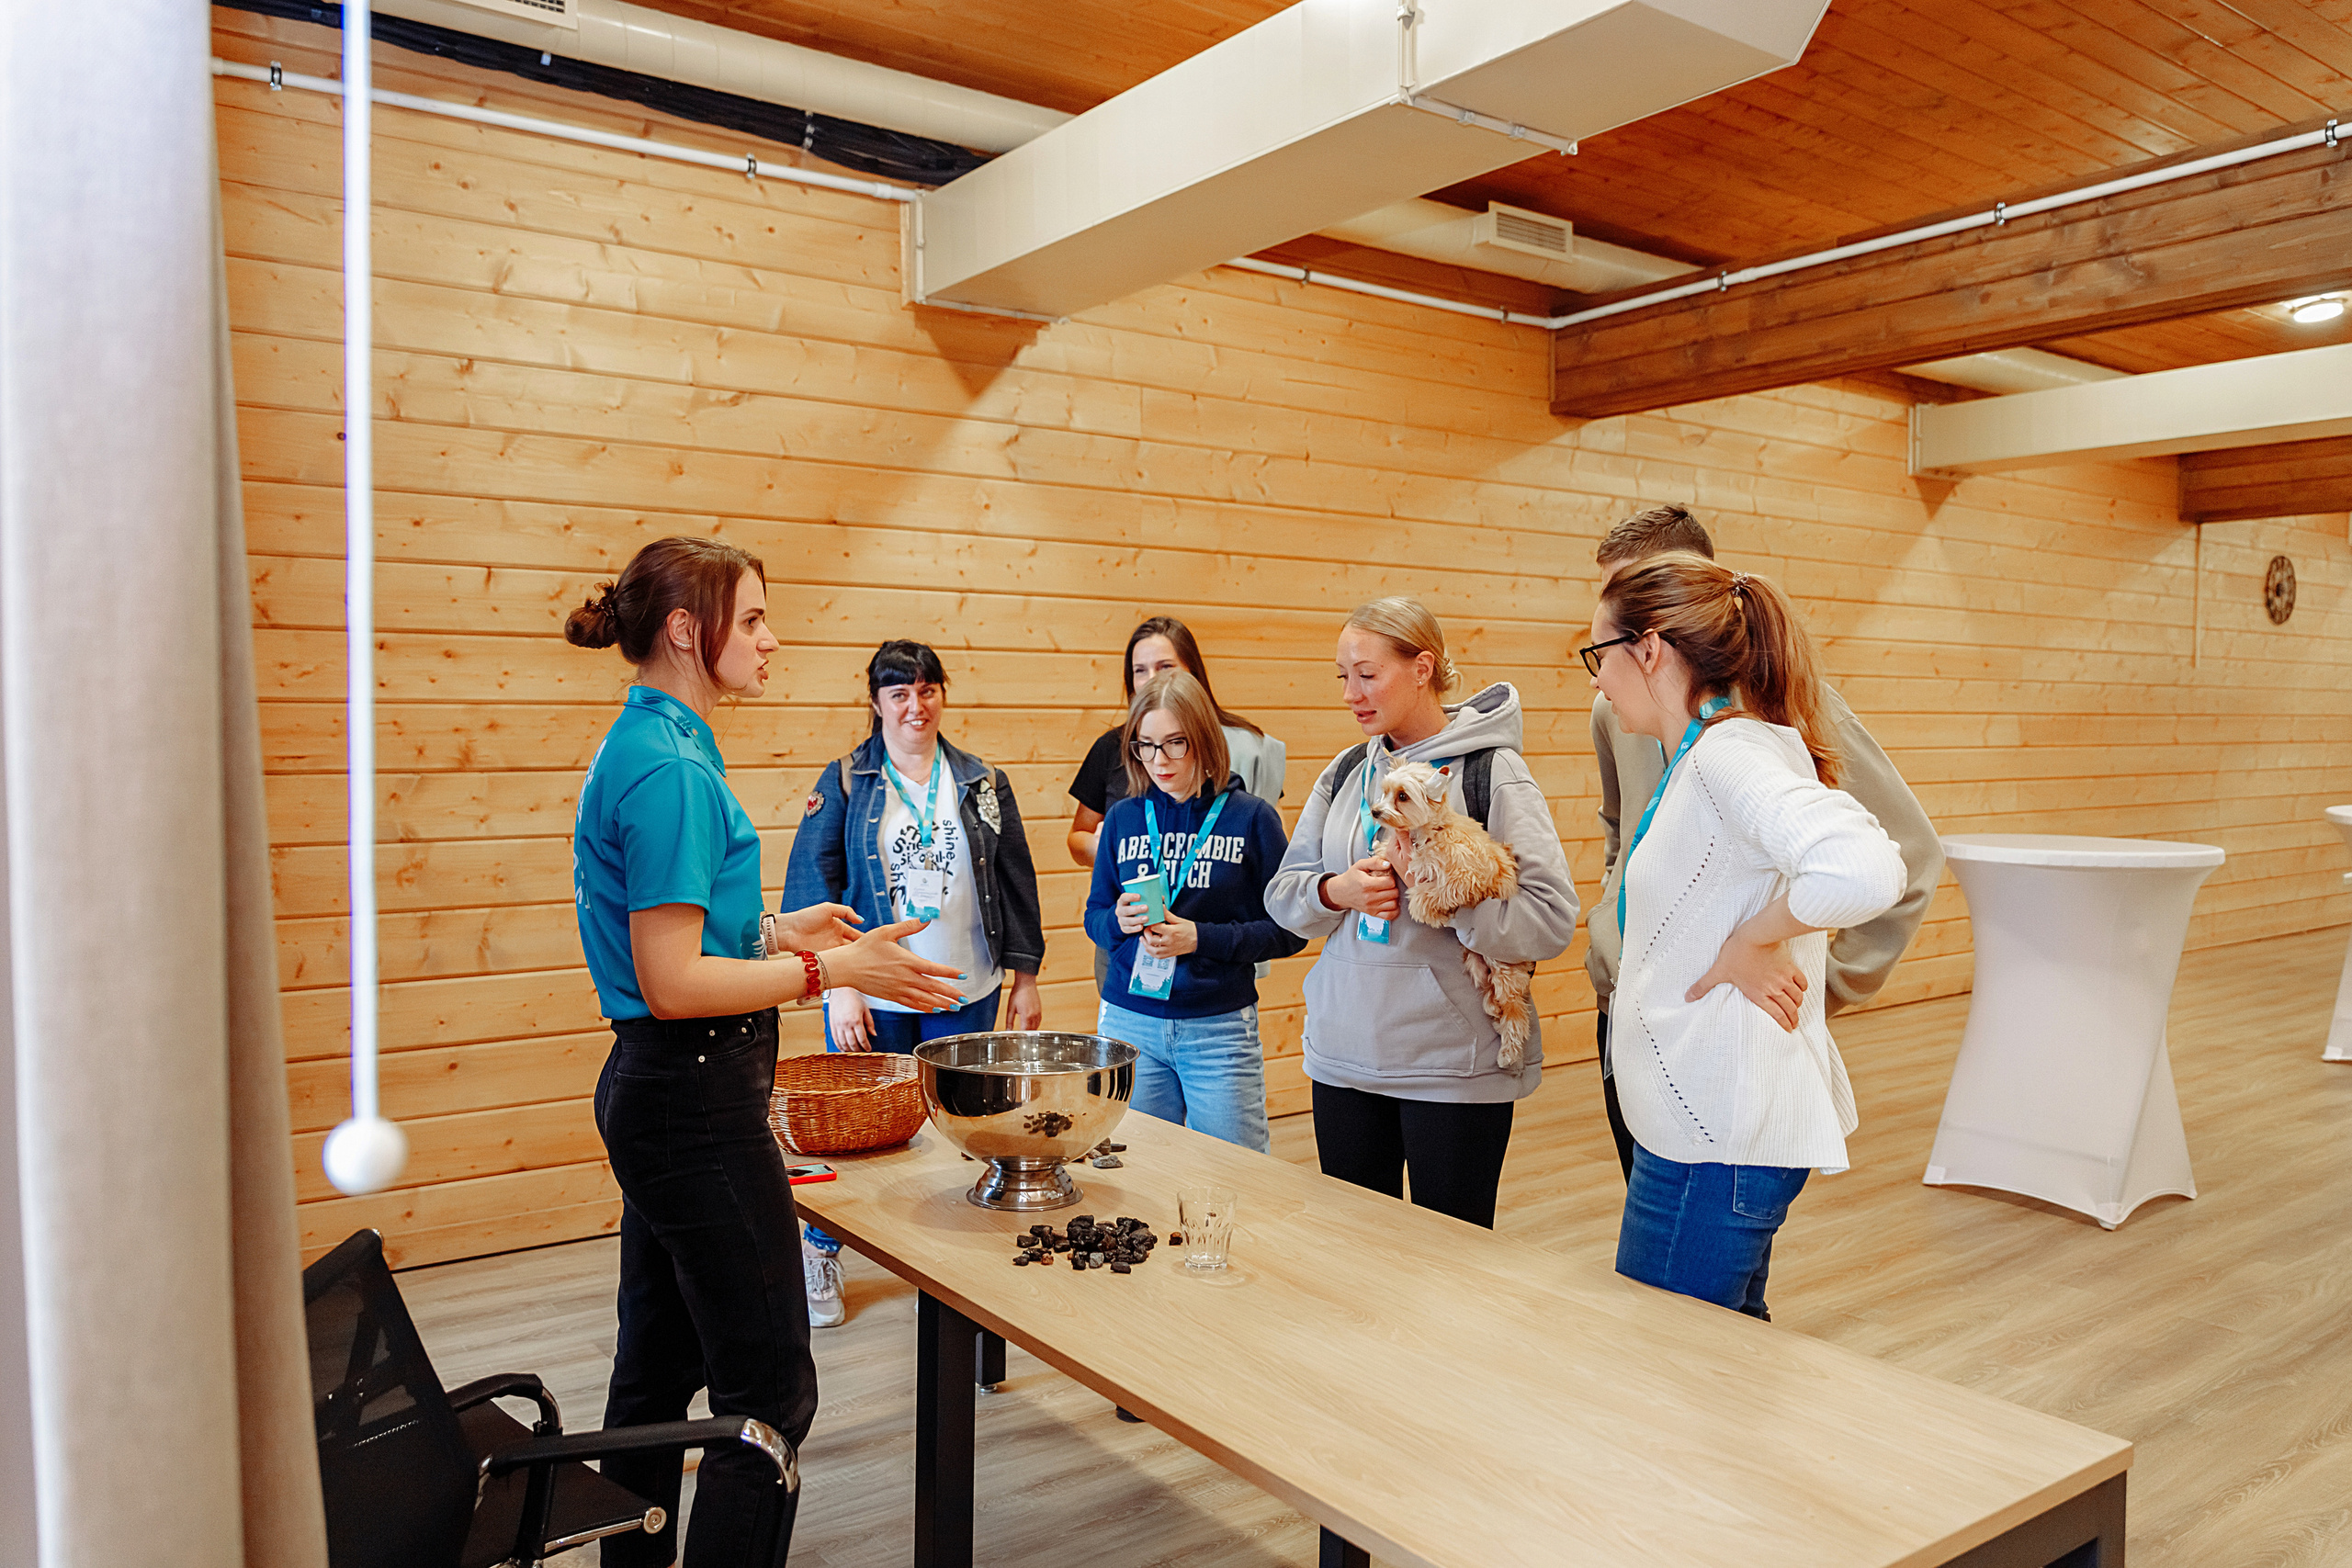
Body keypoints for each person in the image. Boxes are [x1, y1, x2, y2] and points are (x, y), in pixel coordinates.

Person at [565, 538, 966, 1568]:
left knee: (653, 1375)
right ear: (686, 633)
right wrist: (836, 976)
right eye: (751, 621)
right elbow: (672, 983)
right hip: (688, 1102)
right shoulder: (667, 766)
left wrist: (785, 931)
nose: (771, 639)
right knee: (771, 1392)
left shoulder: (660, 743)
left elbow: (689, 937)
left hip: (668, 1096)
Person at [1586, 552, 1905, 1319]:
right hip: (1703, 1130)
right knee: (1720, 1364)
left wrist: (1756, 940)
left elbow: (1866, 868)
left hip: (1715, 1139)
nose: (1596, 678)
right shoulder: (1701, 754)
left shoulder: (1729, 754)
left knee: (1671, 1368)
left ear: (1651, 648)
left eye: (1598, 655)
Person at [1264, 598, 1578, 1229]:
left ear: (1422, 667)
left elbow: (1551, 917)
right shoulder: (1347, 771)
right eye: (1341, 676)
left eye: (1366, 673)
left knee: (1449, 1276)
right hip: (1345, 1058)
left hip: (1451, 1068)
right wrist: (1337, 891)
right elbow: (1284, 894)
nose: (1350, 692)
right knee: (1358, 1258)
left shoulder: (1494, 770)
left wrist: (1444, 897)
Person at [781, 638, 1045, 1326]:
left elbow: (1017, 879)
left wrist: (1026, 975)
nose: (915, 705)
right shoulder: (847, 779)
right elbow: (814, 883)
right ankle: (819, 1251)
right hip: (871, 990)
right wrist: (837, 985)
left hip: (965, 982)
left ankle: (951, 1261)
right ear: (876, 703)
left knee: (958, 1125)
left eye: (927, 690)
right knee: (849, 1133)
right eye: (899, 693)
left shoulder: (981, 780)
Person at [1086, 671, 1306, 1153]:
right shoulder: (1124, 817)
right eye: (1146, 745)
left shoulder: (1252, 817)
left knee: (1235, 1172)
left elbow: (1290, 931)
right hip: (1130, 1019)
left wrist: (1200, 938)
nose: (1158, 761)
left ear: (1203, 740)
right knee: (1139, 1171)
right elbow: (1095, 916)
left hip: (1217, 1028)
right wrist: (1116, 923)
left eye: (1174, 744)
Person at [1068, 616, 1286, 868]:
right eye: (1140, 670)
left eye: (1165, 667)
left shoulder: (1249, 747)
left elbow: (1276, 854)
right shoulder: (1111, 747)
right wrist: (1105, 847)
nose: (1151, 679)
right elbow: (1079, 838)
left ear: (1191, 671)